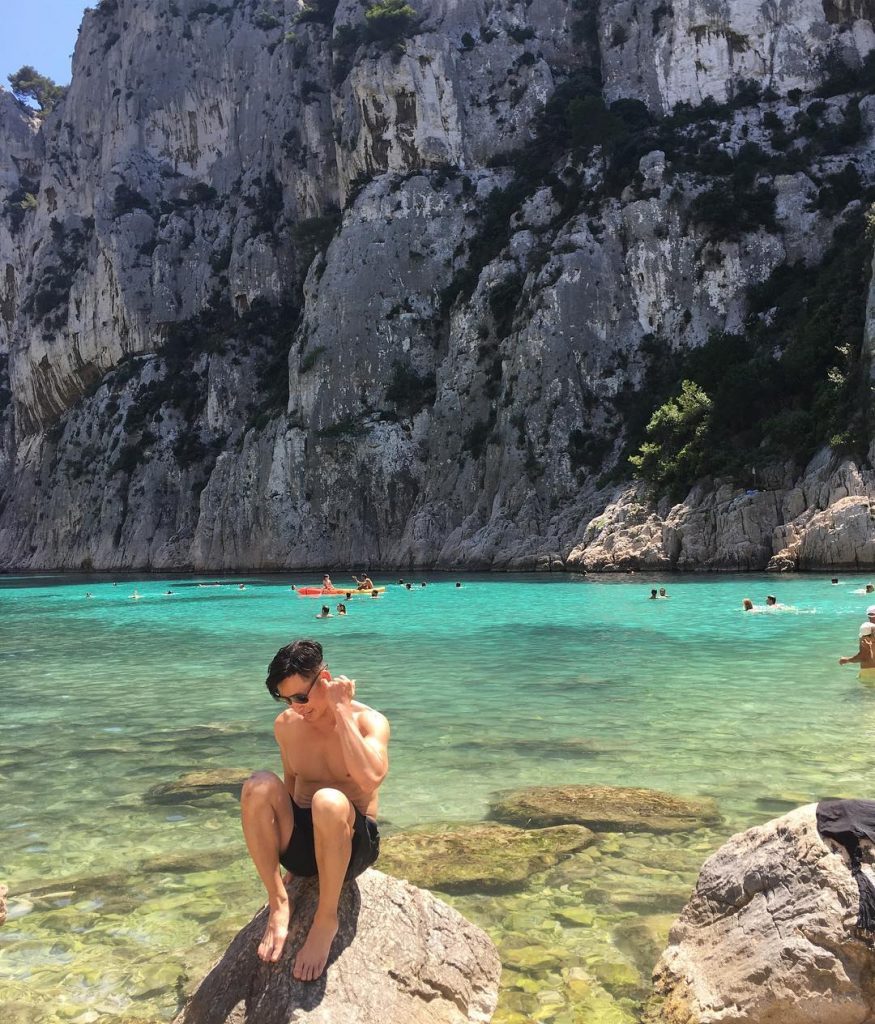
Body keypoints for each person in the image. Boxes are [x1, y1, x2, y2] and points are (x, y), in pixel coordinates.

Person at [241, 639, 389, 981]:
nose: (296, 707)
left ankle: (326, 919)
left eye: (301, 697)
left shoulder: (369, 721)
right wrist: (289, 853)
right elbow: (291, 781)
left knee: (328, 799)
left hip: (352, 844)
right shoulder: (287, 725)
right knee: (257, 784)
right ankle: (279, 902)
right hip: (307, 841)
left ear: (325, 680)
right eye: (287, 699)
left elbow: (369, 780)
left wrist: (340, 711)